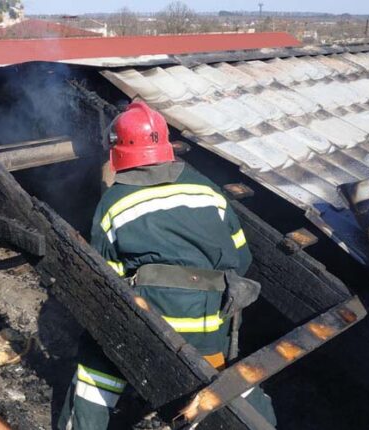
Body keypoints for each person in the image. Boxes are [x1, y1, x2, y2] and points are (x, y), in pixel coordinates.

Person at [57, 101, 276, 429]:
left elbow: (107, 280)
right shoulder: (209, 192)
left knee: (96, 359)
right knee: (222, 375)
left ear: (120, 152)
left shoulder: (113, 203)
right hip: (211, 326)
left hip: (152, 320)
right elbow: (241, 259)